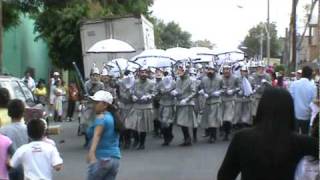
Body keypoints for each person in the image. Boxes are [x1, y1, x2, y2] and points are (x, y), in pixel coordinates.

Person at [217, 88, 318, 180]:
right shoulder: (306, 143)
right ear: (290, 110)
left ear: (261, 108)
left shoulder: (241, 138)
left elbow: (224, 175)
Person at [86, 91, 121, 180]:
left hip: (101, 158)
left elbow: (96, 136)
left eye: (97, 102)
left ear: (105, 104)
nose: (94, 105)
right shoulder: (113, 117)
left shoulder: (101, 118)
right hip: (115, 159)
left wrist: (91, 152)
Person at [0, 99, 28, 180]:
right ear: (23, 113)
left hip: (9, 166)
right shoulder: (28, 129)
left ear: (9, 113)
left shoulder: (2, 130)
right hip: (25, 166)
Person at [129, 66, 155, 150]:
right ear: (139, 73)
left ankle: (142, 143)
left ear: (148, 73)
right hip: (136, 106)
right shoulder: (135, 82)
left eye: (145, 72)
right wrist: (132, 96)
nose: (144, 74)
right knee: (134, 125)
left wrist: (148, 96)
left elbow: (154, 93)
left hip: (146, 106)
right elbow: (131, 91)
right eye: (142, 72)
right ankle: (136, 140)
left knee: (143, 126)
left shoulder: (151, 83)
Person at [171, 64, 197, 146]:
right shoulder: (178, 80)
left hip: (187, 103)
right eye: (178, 70)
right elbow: (178, 89)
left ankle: (189, 138)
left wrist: (186, 99)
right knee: (181, 122)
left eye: (181, 70)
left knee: (184, 121)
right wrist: (174, 92)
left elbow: (193, 92)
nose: (179, 72)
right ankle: (187, 138)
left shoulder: (191, 80)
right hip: (179, 103)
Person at [198, 63, 222, 143]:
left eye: (211, 70)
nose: (210, 71)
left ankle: (213, 136)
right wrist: (202, 92)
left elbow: (224, 88)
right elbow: (200, 88)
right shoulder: (204, 79)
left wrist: (219, 92)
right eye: (208, 69)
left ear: (214, 70)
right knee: (208, 120)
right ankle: (210, 134)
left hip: (216, 101)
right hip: (207, 101)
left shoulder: (219, 79)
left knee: (213, 120)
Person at [289, 66, 317, 135]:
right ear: (310, 75)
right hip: (306, 115)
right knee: (305, 136)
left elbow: (290, 98)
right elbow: (313, 102)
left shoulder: (294, 84)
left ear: (302, 74)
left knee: (294, 136)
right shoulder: (313, 87)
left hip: (295, 114)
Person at [220, 64, 240, 141]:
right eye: (224, 69)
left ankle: (227, 134)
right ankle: (224, 131)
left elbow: (239, 87)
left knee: (227, 118)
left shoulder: (235, 78)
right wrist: (221, 91)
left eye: (227, 69)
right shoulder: (220, 78)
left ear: (230, 70)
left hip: (231, 100)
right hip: (222, 99)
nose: (226, 71)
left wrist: (233, 90)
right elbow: (218, 87)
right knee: (222, 118)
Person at [156, 68, 176, 146]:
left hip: (170, 104)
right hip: (162, 103)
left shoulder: (174, 83)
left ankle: (169, 136)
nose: (166, 76)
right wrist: (159, 92)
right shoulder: (161, 83)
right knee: (162, 121)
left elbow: (178, 91)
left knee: (168, 121)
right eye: (165, 74)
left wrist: (174, 93)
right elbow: (156, 91)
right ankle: (166, 136)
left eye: (168, 74)